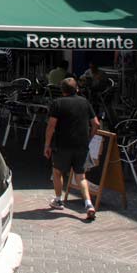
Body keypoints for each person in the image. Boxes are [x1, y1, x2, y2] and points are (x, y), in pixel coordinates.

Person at [44, 77, 101, 220]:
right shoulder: (85, 102)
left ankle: (58, 199)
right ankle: (88, 204)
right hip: (81, 145)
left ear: (62, 91)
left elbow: (51, 126)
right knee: (80, 176)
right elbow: (96, 124)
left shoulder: (57, 103)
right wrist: (89, 138)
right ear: (77, 89)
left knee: (57, 172)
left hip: (62, 145)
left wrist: (47, 144)